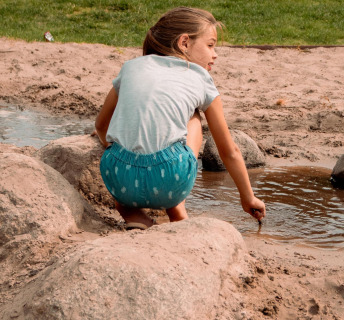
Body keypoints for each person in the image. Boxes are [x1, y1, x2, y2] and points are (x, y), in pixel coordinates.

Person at [95, 7, 266, 230]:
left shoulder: (131, 67)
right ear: (184, 43)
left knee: (126, 184)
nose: (215, 54)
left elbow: (100, 126)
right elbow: (228, 150)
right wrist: (248, 198)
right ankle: (177, 208)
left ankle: (133, 215)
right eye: (211, 45)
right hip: (171, 182)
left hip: (119, 181)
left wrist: (120, 151)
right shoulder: (200, 77)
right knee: (194, 116)